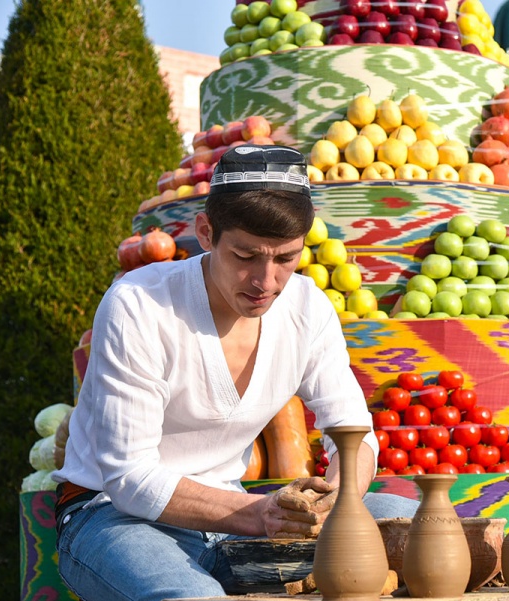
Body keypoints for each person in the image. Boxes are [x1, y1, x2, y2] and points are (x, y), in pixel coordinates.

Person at [54, 145, 417, 601]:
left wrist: (336, 501)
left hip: (233, 520)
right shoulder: (140, 305)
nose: (265, 282)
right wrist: (259, 514)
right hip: (113, 518)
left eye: (286, 258)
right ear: (206, 233)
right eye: (245, 256)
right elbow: (131, 478)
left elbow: (353, 431)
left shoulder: (308, 307)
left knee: (421, 529)